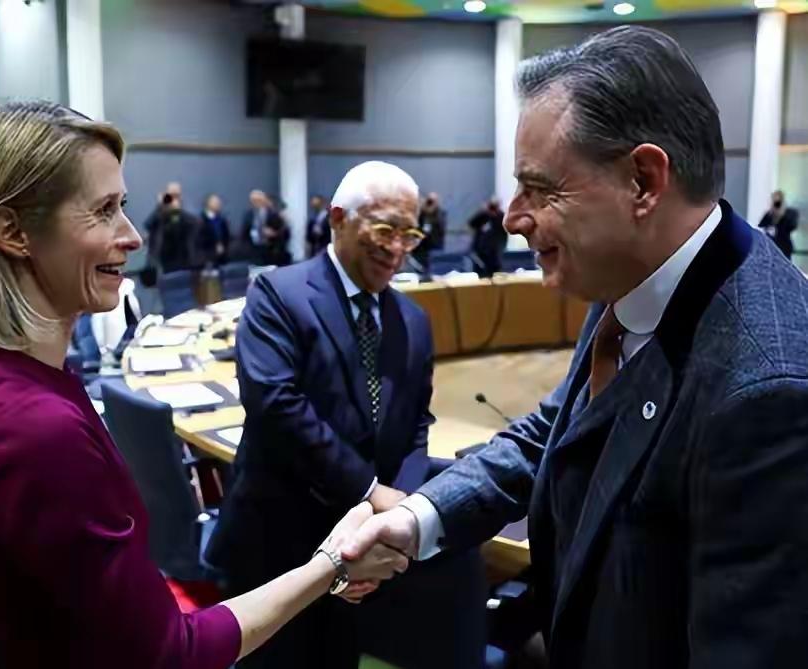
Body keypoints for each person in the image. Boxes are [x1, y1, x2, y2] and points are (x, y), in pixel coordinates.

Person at [342, 26, 808, 669]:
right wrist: (420, 517)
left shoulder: (770, 394)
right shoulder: (631, 274)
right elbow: (555, 435)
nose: (512, 217)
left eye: (539, 188)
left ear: (643, 182)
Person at [0, 100, 408, 669]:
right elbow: (170, 654)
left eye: (123, 207)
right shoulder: (34, 427)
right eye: (103, 211)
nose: (132, 236)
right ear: (12, 232)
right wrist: (332, 566)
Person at [207, 161, 487, 669]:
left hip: (369, 550)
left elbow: (415, 424)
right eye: (384, 229)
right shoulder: (278, 294)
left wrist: (393, 515)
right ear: (338, 218)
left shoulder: (412, 320)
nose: (397, 248)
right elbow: (277, 408)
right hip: (280, 543)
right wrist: (371, 493)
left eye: (409, 234)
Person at [144, 181, 202, 273]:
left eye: (176, 195)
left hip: (182, 260)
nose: (173, 199)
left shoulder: (186, 211)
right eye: (171, 195)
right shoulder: (160, 211)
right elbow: (148, 225)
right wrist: (160, 206)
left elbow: (195, 224)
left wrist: (177, 211)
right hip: (161, 259)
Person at [241, 189, 289, 266]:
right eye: (254, 200)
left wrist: (274, 233)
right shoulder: (248, 214)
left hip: (270, 249)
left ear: (264, 200)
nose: (256, 202)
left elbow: (283, 232)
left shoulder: (273, 213)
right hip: (254, 249)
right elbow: (244, 233)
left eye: (258, 200)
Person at [468, 197, 508, 276]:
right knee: (481, 271)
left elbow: (505, 232)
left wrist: (502, 245)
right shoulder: (482, 216)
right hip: (481, 250)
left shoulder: (501, 217)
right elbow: (471, 224)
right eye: (491, 208)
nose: (492, 212)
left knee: (496, 270)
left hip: (495, 250)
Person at [759, 190, 799, 260]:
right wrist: (772, 214)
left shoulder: (790, 213)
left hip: (784, 249)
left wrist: (782, 214)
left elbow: (792, 226)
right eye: (774, 202)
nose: (776, 204)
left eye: (778, 202)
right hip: (770, 249)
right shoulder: (769, 215)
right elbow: (761, 227)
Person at [414, 192, 446, 269]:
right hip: (420, 249)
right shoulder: (421, 213)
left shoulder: (440, 214)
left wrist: (429, 213)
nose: (429, 203)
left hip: (434, 249)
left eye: (432, 201)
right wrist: (421, 210)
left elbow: (439, 226)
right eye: (429, 201)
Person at [199, 193, 231, 266]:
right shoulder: (200, 220)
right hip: (207, 258)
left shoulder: (222, 220)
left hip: (222, 257)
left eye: (219, 202)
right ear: (208, 203)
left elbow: (227, 237)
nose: (218, 204)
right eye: (215, 202)